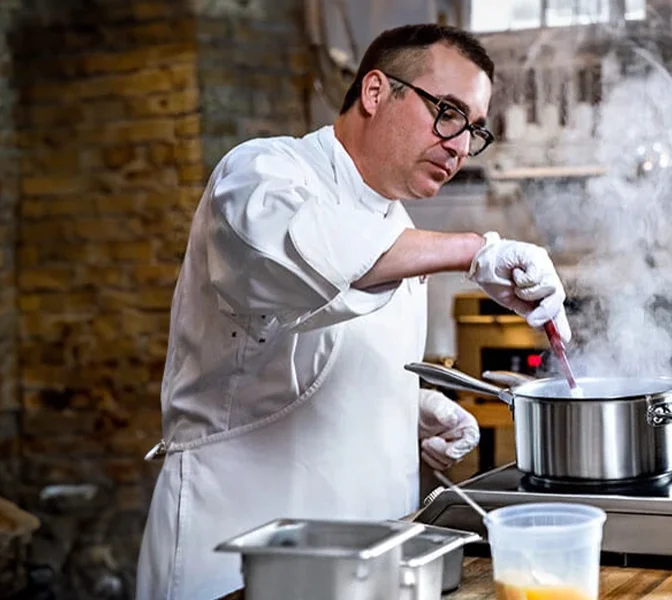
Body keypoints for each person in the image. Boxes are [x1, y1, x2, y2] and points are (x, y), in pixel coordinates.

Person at [135, 23, 571, 600]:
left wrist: (403, 407)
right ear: (374, 92)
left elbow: (296, 361)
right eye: (448, 112)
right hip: (238, 559)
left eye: (475, 130)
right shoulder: (261, 174)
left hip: (370, 564)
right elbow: (303, 255)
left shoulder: (398, 227)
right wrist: (474, 250)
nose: (460, 145)